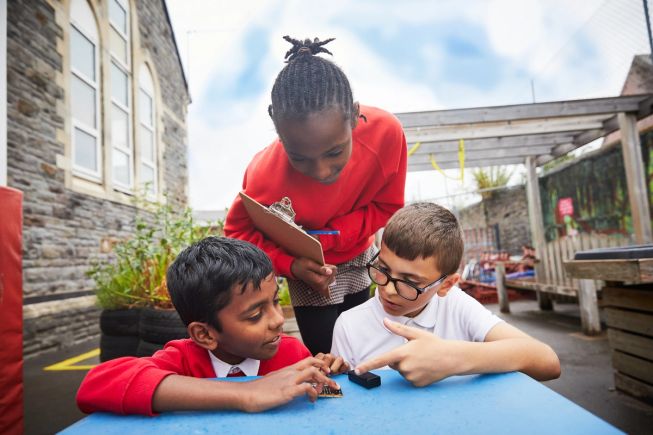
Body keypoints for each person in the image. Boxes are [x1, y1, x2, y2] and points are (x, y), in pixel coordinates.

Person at [224, 36, 407, 355]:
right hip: (306, 272)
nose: (322, 172)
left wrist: (333, 238)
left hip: (360, 255)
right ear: (275, 125)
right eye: (299, 157)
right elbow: (238, 232)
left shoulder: (386, 135)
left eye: (335, 152)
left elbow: (388, 205)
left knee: (362, 348)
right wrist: (291, 265)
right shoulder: (263, 175)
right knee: (325, 354)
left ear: (354, 114)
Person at [76, 237, 346, 416]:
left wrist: (332, 375)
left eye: (275, 301)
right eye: (254, 315)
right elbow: (95, 386)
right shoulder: (183, 359)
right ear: (204, 334)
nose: (277, 320)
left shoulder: (292, 353)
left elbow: (324, 401)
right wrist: (246, 392)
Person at [331, 203, 561, 386]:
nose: (388, 289)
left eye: (410, 281)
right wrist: (333, 374)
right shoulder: (349, 325)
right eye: (383, 269)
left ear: (447, 284)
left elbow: (547, 361)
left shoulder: (457, 306)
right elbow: (338, 395)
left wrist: (452, 357)